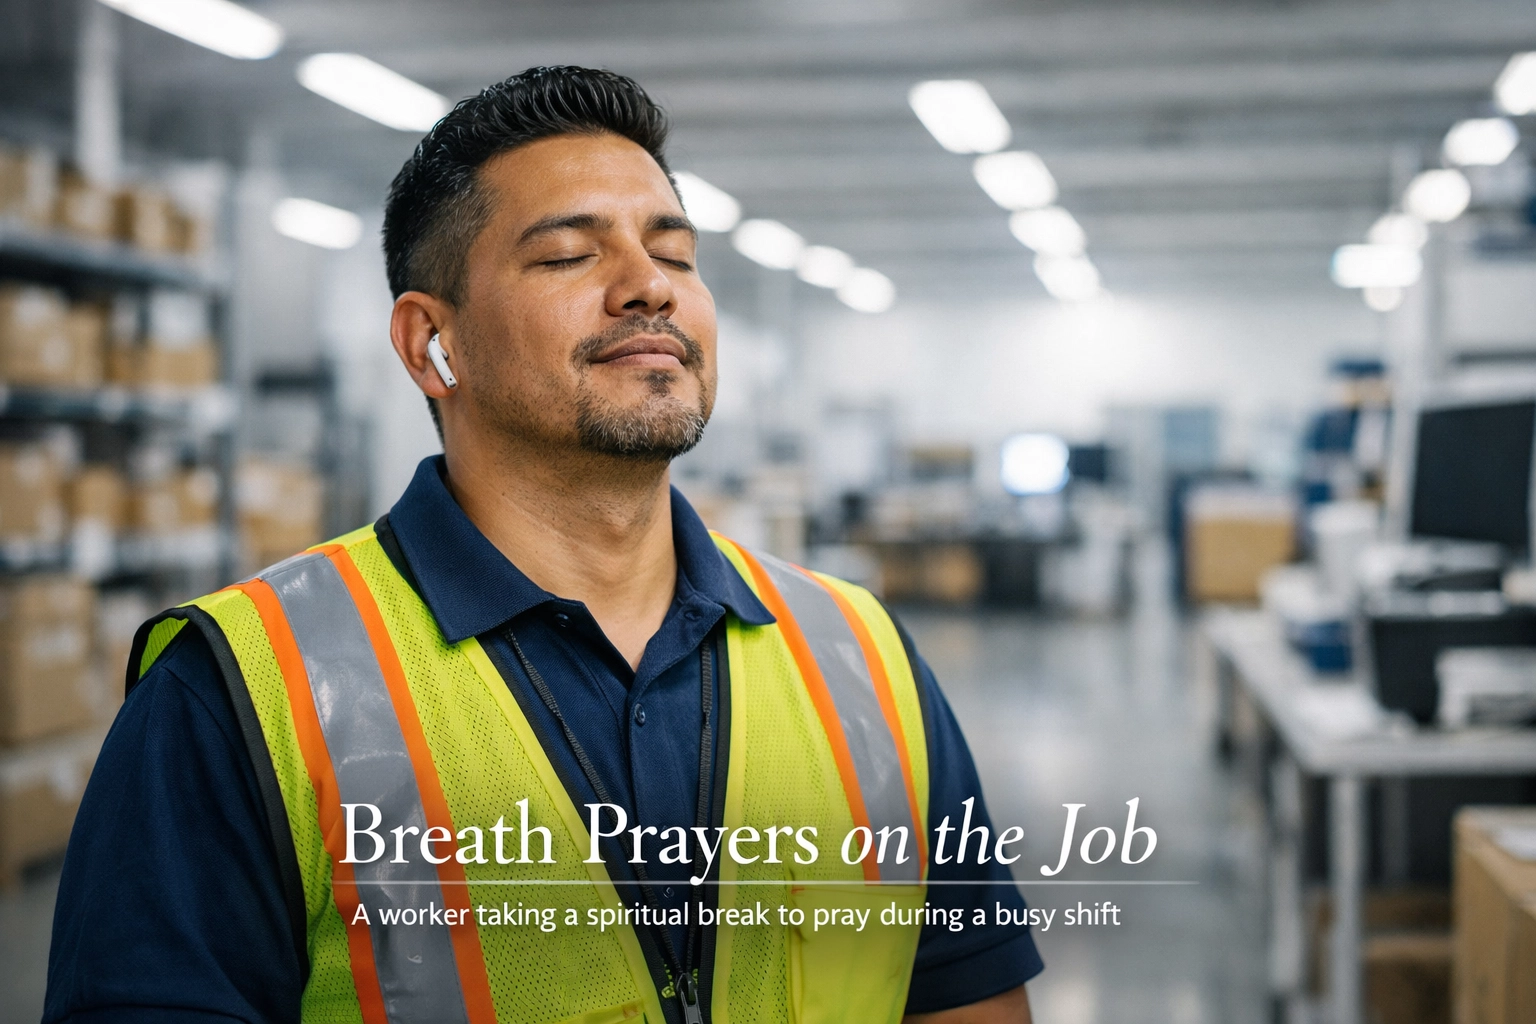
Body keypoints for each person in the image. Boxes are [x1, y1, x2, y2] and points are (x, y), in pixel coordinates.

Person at [45, 67, 1041, 1024]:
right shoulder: (239, 696)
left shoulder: (860, 656)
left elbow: (965, 996)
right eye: (570, 254)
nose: (648, 285)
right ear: (432, 343)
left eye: (677, 254)